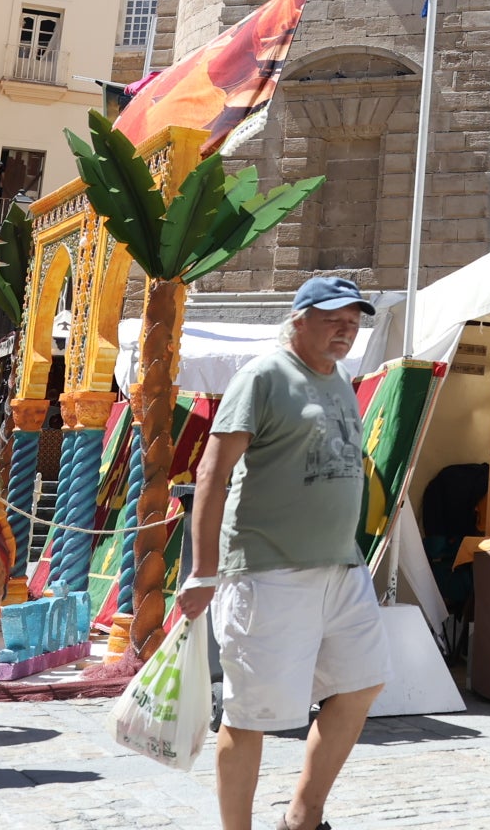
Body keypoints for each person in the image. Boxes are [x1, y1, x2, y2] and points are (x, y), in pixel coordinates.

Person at [179, 276, 388, 830]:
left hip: (341, 566)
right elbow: (212, 473)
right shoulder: (264, 376)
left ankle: (303, 815)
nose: (347, 329)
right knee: (250, 716)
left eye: (354, 319)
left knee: (362, 683)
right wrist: (203, 571)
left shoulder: (342, 379)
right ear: (299, 318)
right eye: (333, 318)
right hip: (269, 570)